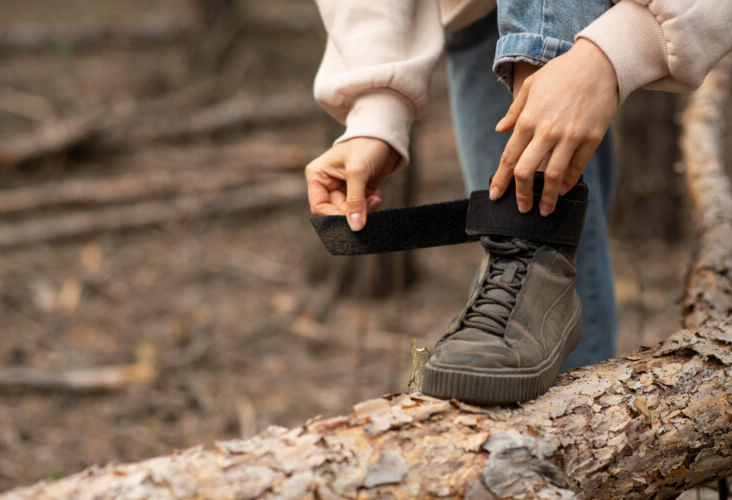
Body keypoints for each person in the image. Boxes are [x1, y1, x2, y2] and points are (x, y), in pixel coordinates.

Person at [305, 0, 732, 404]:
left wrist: (612, 53)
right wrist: (375, 114)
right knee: (530, 256)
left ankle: (529, 248)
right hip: (480, 22)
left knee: (534, 243)